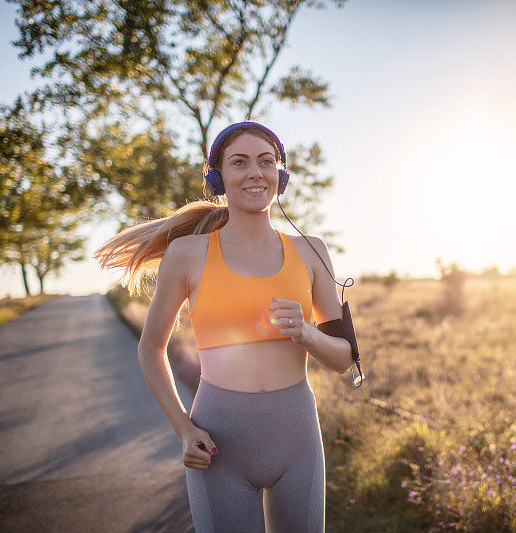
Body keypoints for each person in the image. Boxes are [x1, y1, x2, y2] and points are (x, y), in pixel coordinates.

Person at [93, 120, 354, 532]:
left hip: (298, 437)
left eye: (266, 162)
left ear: (280, 176)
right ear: (218, 177)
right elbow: (150, 350)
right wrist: (183, 428)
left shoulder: (311, 251)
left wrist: (306, 332)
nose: (255, 172)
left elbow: (345, 360)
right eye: (240, 163)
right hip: (218, 443)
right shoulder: (187, 254)